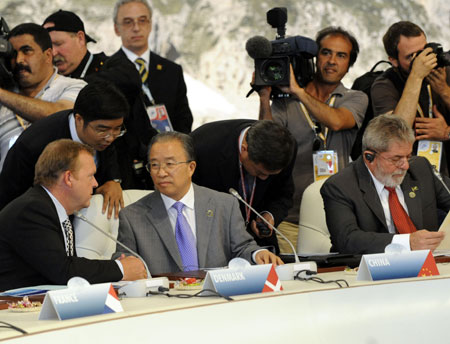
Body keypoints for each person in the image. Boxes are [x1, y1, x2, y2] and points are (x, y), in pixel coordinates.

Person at [257, 27, 368, 247]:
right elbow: (266, 142)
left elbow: (336, 121)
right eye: (326, 53)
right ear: (316, 57)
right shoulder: (286, 102)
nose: (332, 61)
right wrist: (264, 98)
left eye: (341, 55)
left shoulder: (355, 98)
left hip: (340, 216)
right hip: (291, 218)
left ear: (349, 64)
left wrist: (299, 92)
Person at [114, 132, 282, 274]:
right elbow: (124, 263)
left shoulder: (224, 204)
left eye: (169, 164)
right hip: (164, 304)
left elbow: (242, 247)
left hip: (218, 299)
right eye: (154, 165)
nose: (161, 172)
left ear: (191, 168)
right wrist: (121, 264)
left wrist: (257, 254)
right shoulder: (132, 217)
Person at [0, 139, 147, 291]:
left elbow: (68, 268)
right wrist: (120, 269)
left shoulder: (52, 209)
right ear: (68, 178)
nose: (95, 183)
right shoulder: (32, 210)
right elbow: (64, 271)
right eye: (90, 176)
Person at [320, 114, 450, 254]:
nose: (405, 165)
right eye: (396, 159)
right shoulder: (340, 186)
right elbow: (347, 239)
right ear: (369, 157)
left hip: (431, 265)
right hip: (370, 270)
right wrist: (407, 242)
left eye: (408, 156)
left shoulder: (420, 168)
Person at [0, 80, 127, 218]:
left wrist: (113, 180)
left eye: (117, 129)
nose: (110, 138)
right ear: (79, 119)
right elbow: (11, 198)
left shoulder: (105, 134)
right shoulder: (34, 145)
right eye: (102, 130)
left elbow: (109, 152)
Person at [190, 119, 296, 254]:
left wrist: (269, 216)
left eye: (271, 174)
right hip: (211, 244)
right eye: (260, 172)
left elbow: (283, 194)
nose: (265, 178)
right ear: (244, 150)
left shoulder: (286, 147)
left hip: (259, 245)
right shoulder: (202, 146)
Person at [0, 23, 86, 170]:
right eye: (14, 54)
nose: (19, 60)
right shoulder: (5, 96)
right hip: (8, 190)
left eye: (27, 51)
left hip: (60, 188)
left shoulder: (74, 87)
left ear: (48, 55)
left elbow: (60, 117)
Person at [371, 21, 450, 173]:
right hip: (408, 175)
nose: (421, 60)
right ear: (393, 60)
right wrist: (416, 75)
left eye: (423, 51)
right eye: (411, 57)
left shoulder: (444, 71)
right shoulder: (384, 85)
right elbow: (395, 134)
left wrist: (444, 91)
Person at [113, 0, 193, 133]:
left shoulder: (172, 71)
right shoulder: (107, 71)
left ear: (150, 24)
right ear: (116, 29)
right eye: (128, 22)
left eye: (142, 20)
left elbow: (183, 119)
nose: (136, 28)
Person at [42, 10, 108, 79]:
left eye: (58, 44)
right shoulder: (45, 79)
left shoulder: (111, 74)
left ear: (80, 39)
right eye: (48, 47)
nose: (53, 53)